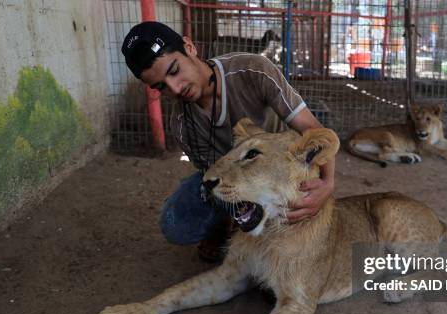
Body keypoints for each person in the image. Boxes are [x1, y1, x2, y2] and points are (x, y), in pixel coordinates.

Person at [121, 21, 335, 261]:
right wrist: (235, 212)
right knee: (174, 224)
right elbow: (215, 172)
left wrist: (328, 184)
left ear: (189, 47)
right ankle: (225, 227)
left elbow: (313, 130)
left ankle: (248, 231)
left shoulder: (253, 70)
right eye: (161, 86)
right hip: (232, 177)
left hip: (275, 171)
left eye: (174, 71)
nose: (175, 88)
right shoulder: (182, 125)